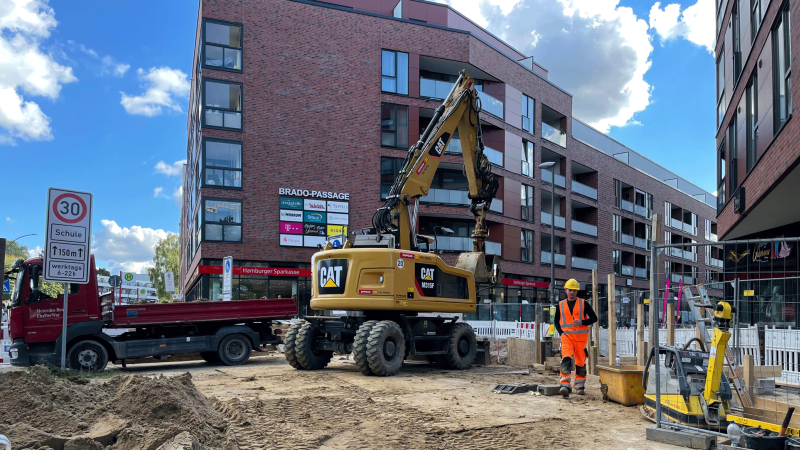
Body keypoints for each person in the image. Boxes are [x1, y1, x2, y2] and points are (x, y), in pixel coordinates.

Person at [554, 278, 598, 398]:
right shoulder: (560, 305)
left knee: (580, 362)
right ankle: (564, 385)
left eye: (574, 290)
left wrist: (583, 322)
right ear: (566, 290)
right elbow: (556, 321)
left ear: (577, 291)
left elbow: (594, 318)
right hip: (567, 337)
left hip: (580, 339)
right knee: (566, 359)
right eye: (570, 290)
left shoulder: (584, 303)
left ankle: (579, 386)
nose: (572, 292)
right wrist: (561, 333)